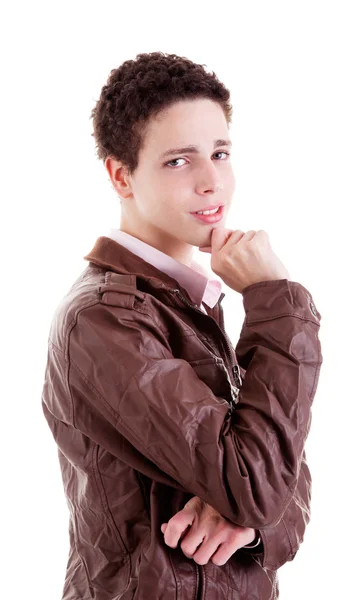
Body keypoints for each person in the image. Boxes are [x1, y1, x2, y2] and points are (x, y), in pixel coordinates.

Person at [41, 51, 323, 599]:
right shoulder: (104, 319)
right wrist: (274, 301)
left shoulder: (190, 305)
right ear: (121, 175)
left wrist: (250, 520)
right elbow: (258, 481)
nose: (211, 181)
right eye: (178, 161)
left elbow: (282, 469)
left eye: (220, 152)